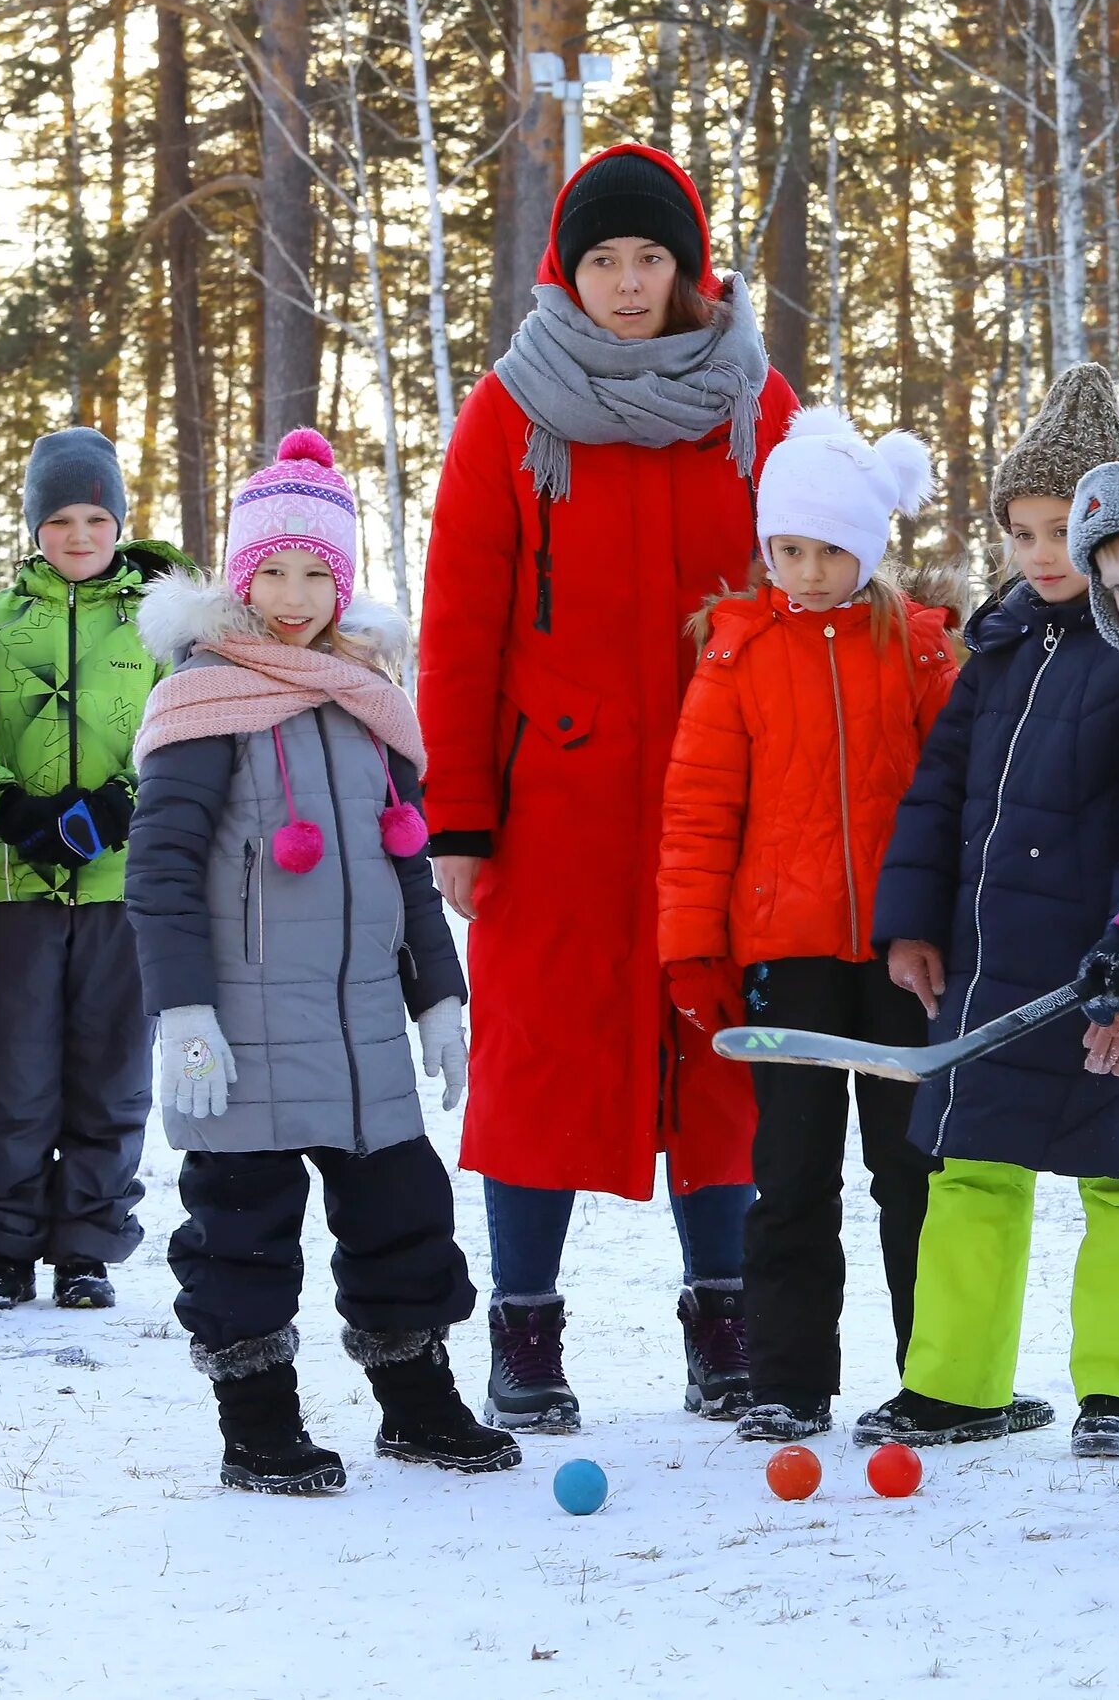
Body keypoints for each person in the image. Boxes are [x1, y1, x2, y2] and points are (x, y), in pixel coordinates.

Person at [419, 143, 800, 1432]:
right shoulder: (509, 414)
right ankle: (524, 1331)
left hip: (723, 803)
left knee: (721, 1052)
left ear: (687, 266)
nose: (629, 285)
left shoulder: (761, 406)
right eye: (603, 262)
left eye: (650, 259)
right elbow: (461, 628)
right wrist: (460, 817)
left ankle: (725, 1312)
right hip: (554, 809)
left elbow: (811, 595)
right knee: (538, 1059)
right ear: (564, 273)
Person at [126, 428, 508, 1496]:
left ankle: (418, 1404)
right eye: (273, 573)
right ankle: (258, 1422)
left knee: (404, 1218)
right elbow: (157, 870)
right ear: (242, 580)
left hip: (358, 1037)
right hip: (240, 1032)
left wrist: (438, 998)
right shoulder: (205, 701)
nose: (294, 597)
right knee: (242, 1235)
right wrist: (183, 1012)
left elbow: (405, 863)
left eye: (315, 575)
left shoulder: (364, 704)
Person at [858, 363, 1119, 1459]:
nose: (1043, 554)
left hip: (1105, 974)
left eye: (1065, 531)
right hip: (986, 967)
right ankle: (954, 1385)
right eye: (1024, 530)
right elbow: (937, 791)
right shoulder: (994, 649)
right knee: (972, 1174)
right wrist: (910, 922)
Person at [657, 409, 960, 1443]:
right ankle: (788, 1380)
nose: (808, 569)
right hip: (780, 953)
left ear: (867, 548)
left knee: (911, 1170)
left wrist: (949, 925)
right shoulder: (736, 654)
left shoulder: (916, 649)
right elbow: (698, 812)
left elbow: (950, 799)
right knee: (787, 1176)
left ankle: (942, 1374)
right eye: (788, 548)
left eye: (829, 549)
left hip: (896, 951)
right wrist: (692, 947)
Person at [0, 428, 183, 1311]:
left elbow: (184, 727)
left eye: (95, 515)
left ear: (118, 519)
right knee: (8, 1070)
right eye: (60, 517)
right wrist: (6, 806)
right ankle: (3, 1244)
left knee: (111, 1066)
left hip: (127, 881)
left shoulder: (162, 618)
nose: (79, 534)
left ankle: (87, 1243)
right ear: (33, 524)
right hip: (11, 882)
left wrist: (125, 801)